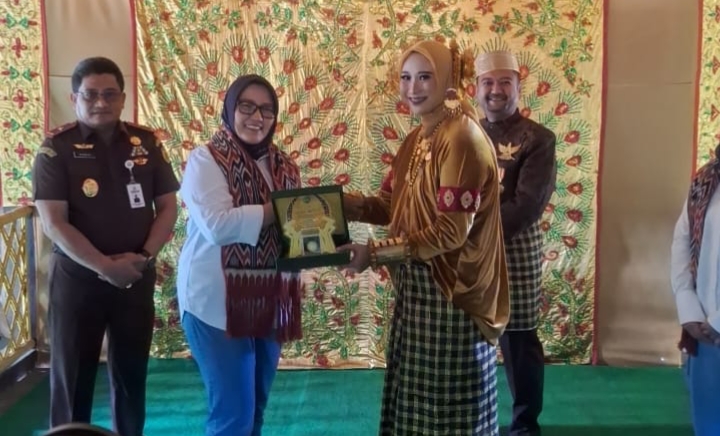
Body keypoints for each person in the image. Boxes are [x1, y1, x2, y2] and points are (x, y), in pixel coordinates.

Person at [340, 40, 510, 435]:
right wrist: (334, 205)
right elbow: (391, 205)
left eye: (424, 77)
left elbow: (451, 231)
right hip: (418, 292)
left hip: (452, 297)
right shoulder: (418, 139)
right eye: (405, 77)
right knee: (416, 407)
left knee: (449, 413)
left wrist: (375, 254)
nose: (412, 88)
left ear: (448, 78)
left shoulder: (461, 139)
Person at [32, 57, 179, 436]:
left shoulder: (146, 143)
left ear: (123, 98)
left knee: (131, 376)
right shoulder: (56, 149)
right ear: (74, 98)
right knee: (72, 381)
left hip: (135, 276)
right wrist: (103, 266)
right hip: (78, 280)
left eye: (110, 94)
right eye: (91, 95)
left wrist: (144, 257)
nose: (101, 102)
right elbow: (54, 222)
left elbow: (168, 207)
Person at [177, 74, 303, 436]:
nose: (256, 117)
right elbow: (218, 226)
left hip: (271, 298)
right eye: (246, 106)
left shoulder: (283, 165)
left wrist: (322, 240)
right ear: (230, 109)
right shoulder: (206, 160)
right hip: (214, 303)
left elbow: (296, 229)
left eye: (266, 109)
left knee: (256, 409)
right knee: (234, 415)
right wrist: (278, 210)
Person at [475, 50, 557, 436]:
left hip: (514, 251)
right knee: (466, 337)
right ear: (476, 88)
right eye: (488, 82)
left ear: (518, 88)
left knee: (519, 341)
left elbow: (527, 205)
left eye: (505, 82)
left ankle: (524, 425)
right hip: (468, 251)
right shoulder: (465, 135)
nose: (496, 90)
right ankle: (472, 417)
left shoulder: (538, 139)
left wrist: (474, 233)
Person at [671, 145, 720, 436]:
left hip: (714, 326)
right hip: (705, 333)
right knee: (709, 425)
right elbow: (683, 238)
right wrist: (687, 306)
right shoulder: (707, 178)